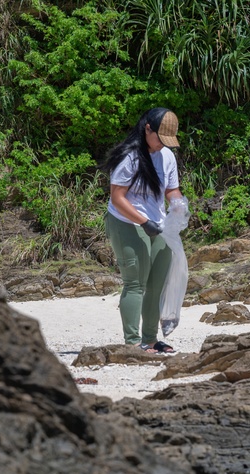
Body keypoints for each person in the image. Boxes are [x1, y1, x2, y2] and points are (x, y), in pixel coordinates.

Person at [103, 107, 185, 353]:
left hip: (157, 223)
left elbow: (171, 190)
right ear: (147, 128)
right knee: (135, 282)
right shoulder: (130, 157)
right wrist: (142, 221)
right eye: (159, 138)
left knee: (156, 282)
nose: (162, 145)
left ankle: (150, 339)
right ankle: (131, 342)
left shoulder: (167, 156)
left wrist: (179, 205)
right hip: (126, 221)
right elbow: (117, 197)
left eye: (166, 141)